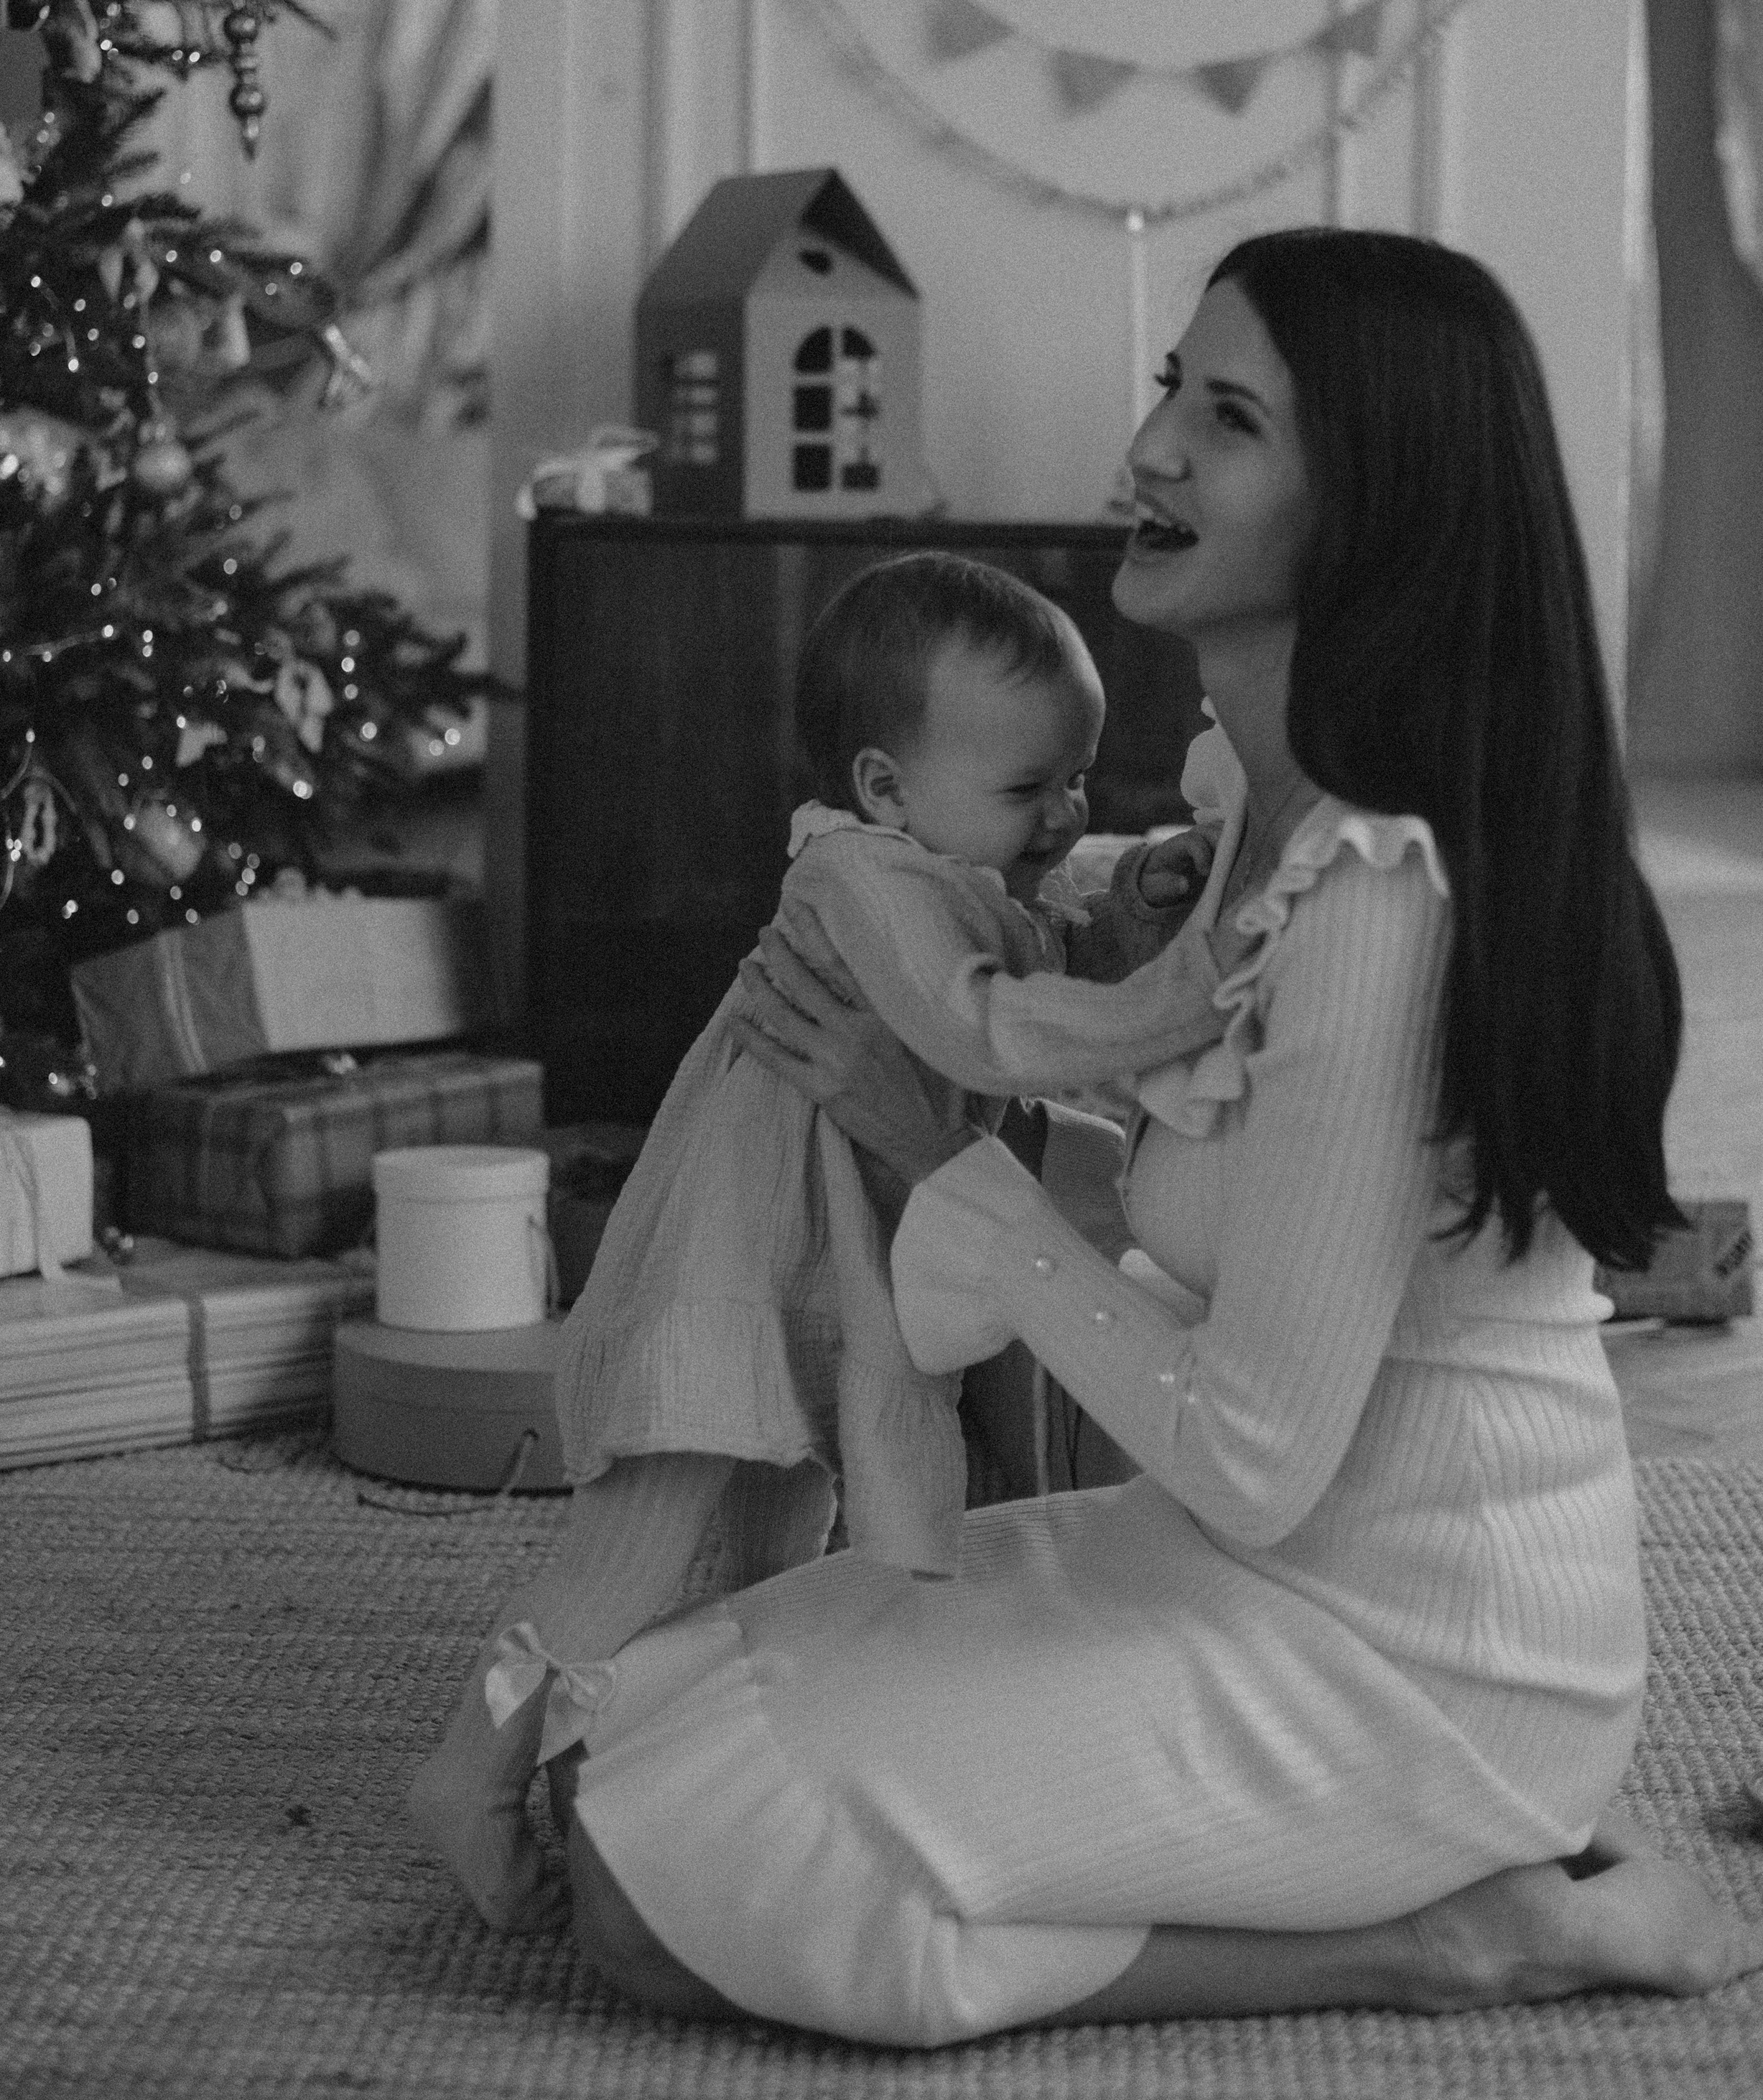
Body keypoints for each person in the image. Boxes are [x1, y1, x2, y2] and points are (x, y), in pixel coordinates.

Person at [537, 228, 1763, 2045]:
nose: (1150, 455)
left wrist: (927, 1150)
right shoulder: (1238, 813)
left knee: (658, 1892)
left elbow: (1255, 1455)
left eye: (1229, 416)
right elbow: (1185, 1115)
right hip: (1249, 1569)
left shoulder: (1371, 907)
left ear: (1372, 509)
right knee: (624, 1745)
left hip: (1418, 1660)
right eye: (1165, 392)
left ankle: (1458, 1938)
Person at [410, 550, 1229, 1931]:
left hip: (823, 1296)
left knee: (785, 1579)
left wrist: (1135, 895)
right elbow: (980, 1024)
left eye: (1079, 777)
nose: (1067, 813)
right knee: (631, 1561)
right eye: (1030, 791)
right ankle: (473, 1766)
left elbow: (1038, 937)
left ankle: (680, 1786)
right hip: (729, 1283)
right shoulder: (857, 879)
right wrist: (1185, 998)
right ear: (882, 790)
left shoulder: (946, 865)